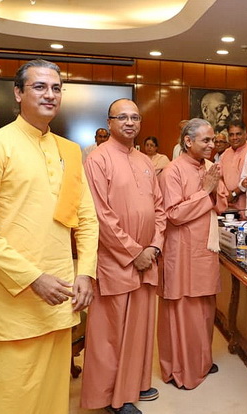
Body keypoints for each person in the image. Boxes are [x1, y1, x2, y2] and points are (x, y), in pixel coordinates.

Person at [0, 59, 99, 414]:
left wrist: (85, 271)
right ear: (19, 93)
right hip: (13, 299)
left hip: (60, 296)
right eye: (39, 86)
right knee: (8, 395)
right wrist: (33, 278)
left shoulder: (69, 151)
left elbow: (86, 218)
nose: (49, 94)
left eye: (56, 88)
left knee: (52, 394)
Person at [82, 99, 166, 414]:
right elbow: (100, 215)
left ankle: (134, 384)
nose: (129, 122)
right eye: (122, 117)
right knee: (111, 331)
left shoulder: (145, 160)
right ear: (110, 121)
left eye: (135, 117)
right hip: (117, 259)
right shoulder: (97, 160)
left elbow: (159, 208)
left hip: (147, 257)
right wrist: (134, 252)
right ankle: (109, 398)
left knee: (140, 326)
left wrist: (154, 246)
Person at [157, 118, 228, 390]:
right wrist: (206, 191)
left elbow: (220, 205)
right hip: (182, 250)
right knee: (183, 308)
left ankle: (201, 361)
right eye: (206, 140)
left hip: (205, 249)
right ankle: (179, 368)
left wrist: (216, 188)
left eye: (213, 140)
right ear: (188, 141)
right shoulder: (172, 171)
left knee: (204, 309)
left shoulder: (210, 167)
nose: (212, 145)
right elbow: (174, 214)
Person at [219, 119, 247, 218]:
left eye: (238, 134)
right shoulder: (225, 153)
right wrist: (226, 193)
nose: (234, 138)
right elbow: (219, 176)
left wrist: (234, 193)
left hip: (246, 207)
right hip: (227, 207)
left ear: (245, 134)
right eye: (231, 134)